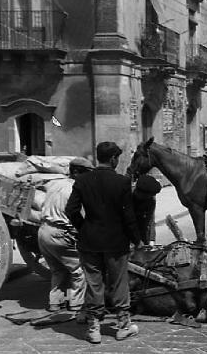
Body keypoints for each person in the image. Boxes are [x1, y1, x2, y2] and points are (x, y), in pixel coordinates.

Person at [65, 142, 143, 344]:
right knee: (119, 284)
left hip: (89, 241)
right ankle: (123, 326)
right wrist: (137, 239)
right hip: (116, 242)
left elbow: (71, 210)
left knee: (94, 284)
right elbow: (129, 216)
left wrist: (84, 228)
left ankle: (94, 329)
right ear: (113, 159)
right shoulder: (122, 182)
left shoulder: (82, 180)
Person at [38, 157, 94, 318]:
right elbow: (76, 214)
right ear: (76, 172)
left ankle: (55, 302)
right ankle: (76, 304)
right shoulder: (74, 189)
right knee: (79, 270)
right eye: (85, 173)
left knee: (57, 270)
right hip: (60, 233)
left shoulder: (55, 184)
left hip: (43, 231)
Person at [132, 174, 162, 245]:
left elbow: (150, 220)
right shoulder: (128, 198)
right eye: (150, 195)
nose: (152, 197)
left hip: (142, 235)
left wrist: (151, 240)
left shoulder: (151, 201)